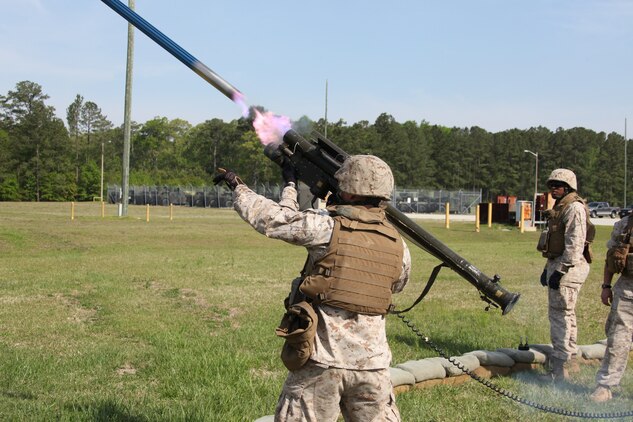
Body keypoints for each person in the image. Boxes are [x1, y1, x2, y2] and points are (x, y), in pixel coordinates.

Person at [214, 155, 411, 421]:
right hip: (373, 368)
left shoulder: (325, 227)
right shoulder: (398, 245)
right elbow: (396, 285)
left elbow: (273, 219)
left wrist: (238, 186)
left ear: (350, 192)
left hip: (322, 363)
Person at [536, 168, 593, 381]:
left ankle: (559, 370)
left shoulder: (574, 208)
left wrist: (559, 272)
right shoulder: (561, 207)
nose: (553, 188)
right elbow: (555, 244)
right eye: (551, 185)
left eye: (558, 185)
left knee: (559, 316)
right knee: (566, 314)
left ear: (568, 187)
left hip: (569, 268)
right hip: (561, 265)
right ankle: (570, 360)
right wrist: (546, 269)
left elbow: (574, 245)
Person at [589, 214, 633, 402]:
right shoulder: (624, 225)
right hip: (627, 288)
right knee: (617, 339)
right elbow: (611, 259)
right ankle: (605, 386)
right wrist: (606, 286)